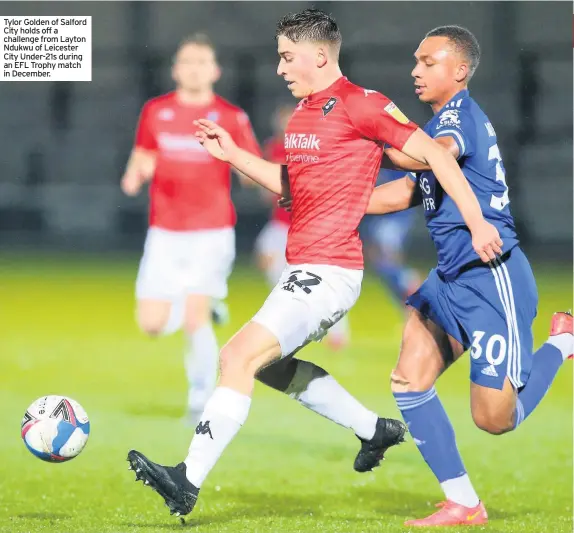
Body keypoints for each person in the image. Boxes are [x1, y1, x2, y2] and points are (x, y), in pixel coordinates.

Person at [126, 10, 502, 518]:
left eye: (287, 56)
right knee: (272, 369)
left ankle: (186, 479)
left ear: (319, 55)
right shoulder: (304, 115)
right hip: (303, 266)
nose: (279, 67)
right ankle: (374, 430)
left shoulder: (361, 104)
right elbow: (291, 188)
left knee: (237, 357)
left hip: (331, 270)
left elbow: (435, 155)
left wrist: (477, 222)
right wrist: (232, 153)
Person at [366, 26, 573, 527]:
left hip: (490, 278)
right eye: (415, 61)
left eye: (428, 61)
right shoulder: (436, 131)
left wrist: (373, 125)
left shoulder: (456, 119)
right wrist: (322, 204)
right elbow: (399, 195)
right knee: (409, 381)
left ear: (458, 71)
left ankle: (562, 344)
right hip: (449, 279)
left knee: (493, 419)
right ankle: (464, 503)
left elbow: (427, 154)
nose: (416, 70)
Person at [120, 34, 262, 426]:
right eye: (187, 61)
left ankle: (201, 401)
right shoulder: (156, 111)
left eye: (202, 61)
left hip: (211, 231)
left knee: (194, 319)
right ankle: (209, 305)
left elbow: (249, 167)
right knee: (151, 324)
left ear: (215, 70)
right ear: (175, 69)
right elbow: (143, 154)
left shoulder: (231, 116)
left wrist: (243, 168)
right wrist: (134, 174)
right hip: (164, 232)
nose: (194, 68)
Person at [255, 102, 351, 349]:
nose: (285, 126)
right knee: (266, 257)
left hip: (307, 224)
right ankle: (289, 308)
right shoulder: (273, 147)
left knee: (318, 275)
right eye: (282, 121)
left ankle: (336, 326)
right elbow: (268, 186)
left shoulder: (313, 148)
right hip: (280, 223)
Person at [360, 168, 421, 308]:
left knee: (386, 259)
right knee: (380, 263)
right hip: (380, 217)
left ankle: (409, 282)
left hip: (395, 215)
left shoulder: (392, 151)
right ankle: (407, 290)